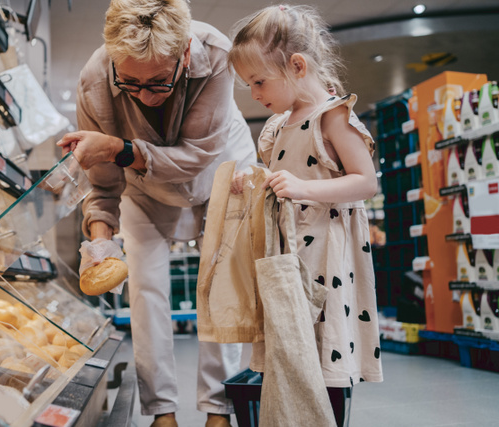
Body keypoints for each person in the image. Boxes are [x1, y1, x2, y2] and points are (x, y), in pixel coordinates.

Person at [56, 1, 256, 426]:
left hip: (222, 169)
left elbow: (198, 156)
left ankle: (219, 412)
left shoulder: (215, 53)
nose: (145, 95)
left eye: (159, 81)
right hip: (143, 187)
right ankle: (162, 413)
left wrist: (118, 148)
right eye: (129, 82)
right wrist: (99, 239)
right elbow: (105, 181)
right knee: (146, 291)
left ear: (184, 53)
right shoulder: (94, 80)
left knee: (220, 288)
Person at [227, 4, 383, 425]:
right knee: (292, 349)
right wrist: (255, 178)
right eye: (248, 85)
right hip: (288, 256)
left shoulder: (332, 116)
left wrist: (304, 189)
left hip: (326, 257)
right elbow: (282, 176)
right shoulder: (277, 126)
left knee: (323, 356)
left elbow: (365, 182)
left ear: (297, 65)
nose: (255, 94)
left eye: (259, 81)